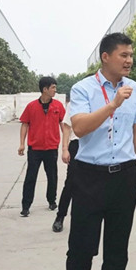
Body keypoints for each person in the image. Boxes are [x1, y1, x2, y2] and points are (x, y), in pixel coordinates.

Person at [66, 32, 136, 270]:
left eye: (131, 55)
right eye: (123, 55)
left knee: (117, 253)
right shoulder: (82, 89)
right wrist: (113, 105)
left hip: (124, 177)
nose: (129, 60)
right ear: (105, 57)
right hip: (89, 177)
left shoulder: (135, 89)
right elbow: (79, 127)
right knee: (81, 250)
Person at [18, 76, 65, 217]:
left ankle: (52, 201)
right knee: (30, 177)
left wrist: (66, 143)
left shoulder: (58, 106)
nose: (55, 90)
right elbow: (25, 124)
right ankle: (26, 206)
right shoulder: (31, 106)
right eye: (53, 87)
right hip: (35, 149)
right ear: (45, 89)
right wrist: (22, 144)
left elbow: (63, 124)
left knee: (52, 176)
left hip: (51, 148)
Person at [52, 94, 77, 233]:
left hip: (96, 147)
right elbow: (67, 127)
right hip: (77, 145)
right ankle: (60, 217)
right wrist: (65, 149)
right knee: (71, 184)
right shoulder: (75, 102)